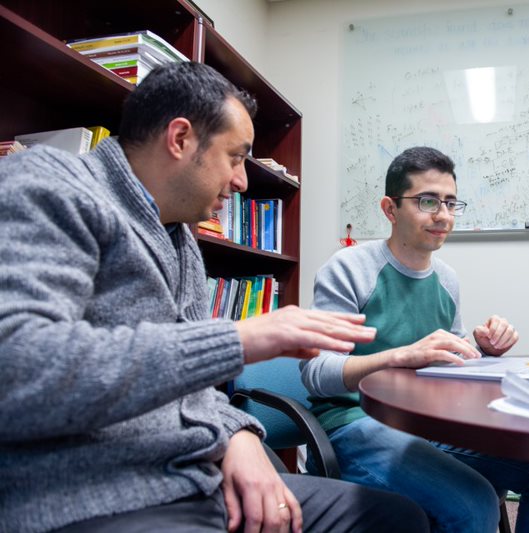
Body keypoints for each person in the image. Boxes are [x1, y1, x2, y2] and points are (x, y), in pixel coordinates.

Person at [0, 62, 430, 533]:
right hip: (93, 497)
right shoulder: (51, 185)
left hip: (189, 475)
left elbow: (191, 386)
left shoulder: (179, 237)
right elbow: (18, 369)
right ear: (180, 138)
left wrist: (239, 435)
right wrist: (235, 339)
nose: (243, 180)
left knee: (395, 517)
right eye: (236, 157)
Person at [302, 146, 529, 532]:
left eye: (450, 203)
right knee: (474, 503)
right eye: (427, 201)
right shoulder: (349, 268)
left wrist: (483, 350)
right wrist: (400, 356)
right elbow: (316, 371)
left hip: (426, 425)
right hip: (353, 425)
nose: (443, 216)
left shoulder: (446, 279)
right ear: (390, 208)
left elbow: (450, 369)